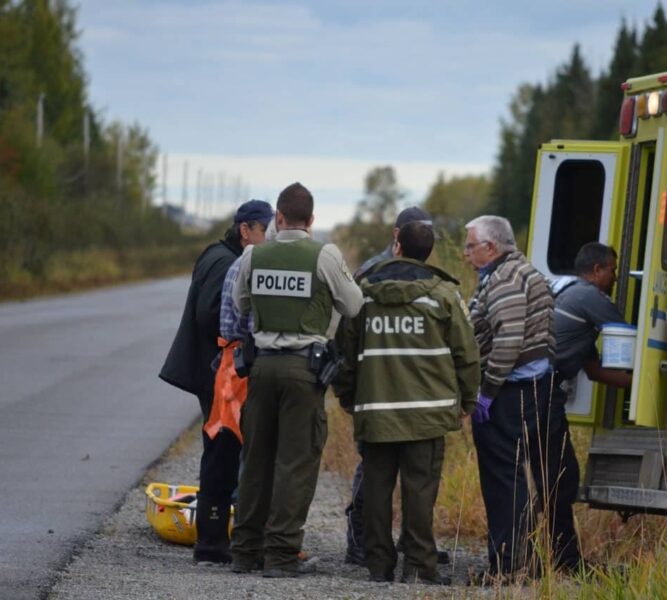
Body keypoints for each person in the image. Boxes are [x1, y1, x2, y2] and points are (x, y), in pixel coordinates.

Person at [229, 182, 363, 578]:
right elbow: (353, 304)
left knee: (255, 461)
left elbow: (240, 303)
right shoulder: (324, 255)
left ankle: (245, 551)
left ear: (279, 218)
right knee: (295, 463)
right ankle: (282, 555)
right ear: (312, 220)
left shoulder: (254, 255)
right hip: (304, 370)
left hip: (262, 367)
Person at [336, 221, 480, 585]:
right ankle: (419, 567)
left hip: (377, 412)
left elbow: (345, 353)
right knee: (420, 492)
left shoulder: (364, 293)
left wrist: (348, 396)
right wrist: (467, 400)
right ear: (429, 251)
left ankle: (379, 566)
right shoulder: (444, 295)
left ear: (396, 244)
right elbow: (467, 354)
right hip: (427, 415)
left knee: (376, 490)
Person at [464, 215, 578, 581]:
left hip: (513, 392)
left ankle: (511, 566)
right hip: (536, 389)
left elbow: (509, 340)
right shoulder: (524, 273)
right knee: (535, 476)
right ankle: (550, 559)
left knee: (503, 478)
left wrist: (487, 392)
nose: (466, 254)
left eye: (470, 246)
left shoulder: (506, 279)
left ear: (491, 247)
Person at [159, 199, 273, 564]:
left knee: (222, 451)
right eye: (265, 231)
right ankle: (212, 542)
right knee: (222, 452)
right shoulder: (227, 263)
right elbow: (211, 315)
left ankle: (216, 537)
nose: (268, 239)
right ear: (246, 230)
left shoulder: (217, 254)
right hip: (217, 374)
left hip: (214, 371)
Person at [554, 242, 633, 390]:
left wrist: (639, 387)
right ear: (597, 270)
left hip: (536, 384)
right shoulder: (590, 296)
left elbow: (594, 372)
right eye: (612, 271)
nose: (615, 278)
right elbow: (628, 339)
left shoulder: (571, 292)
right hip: (538, 386)